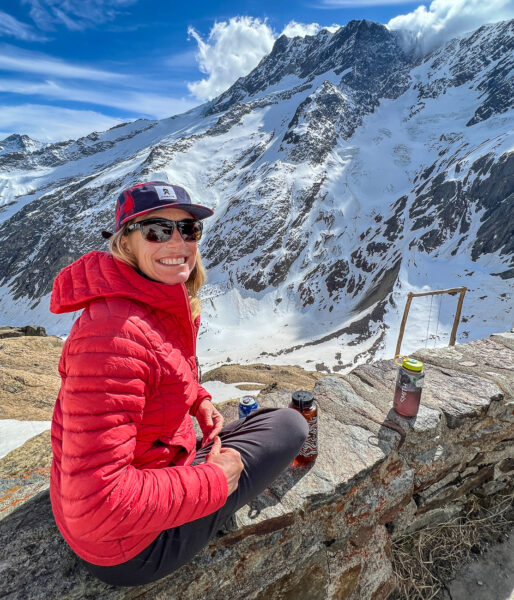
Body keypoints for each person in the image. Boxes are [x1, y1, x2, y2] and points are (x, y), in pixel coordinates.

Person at [49, 181, 309, 587]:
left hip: (149, 472)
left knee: (276, 422)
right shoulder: (112, 337)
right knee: (290, 427)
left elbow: (162, 371)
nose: (178, 242)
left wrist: (198, 399)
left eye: (188, 230)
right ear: (125, 242)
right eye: (157, 230)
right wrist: (213, 481)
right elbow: (99, 504)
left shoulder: (155, 299)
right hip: (129, 547)